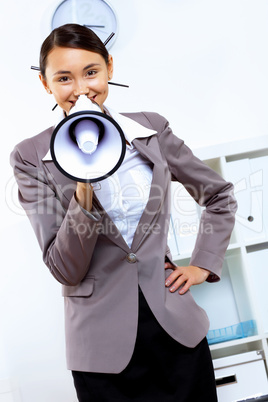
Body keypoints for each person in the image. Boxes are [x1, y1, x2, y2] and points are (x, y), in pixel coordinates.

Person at [10, 23, 237, 401]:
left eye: (92, 72)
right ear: (46, 85)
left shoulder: (150, 129)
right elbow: (64, 269)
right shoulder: (31, 158)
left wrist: (203, 264)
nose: (81, 89)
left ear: (110, 68)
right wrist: (83, 187)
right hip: (100, 351)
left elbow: (219, 195)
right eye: (64, 78)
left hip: (176, 329)